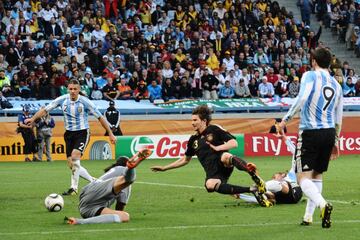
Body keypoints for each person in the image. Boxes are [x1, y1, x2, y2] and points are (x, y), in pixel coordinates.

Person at [151, 105, 272, 207]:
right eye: (192, 120)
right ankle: (252, 190)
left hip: (223, 162)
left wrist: (218, 148)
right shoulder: (193, 140)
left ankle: (253, 174)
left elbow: (233, 143)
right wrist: (164, 168)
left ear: (203, 121)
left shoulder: (214, 129)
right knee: (209, 185)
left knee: (225, 156)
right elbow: (185, 159)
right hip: (213, 171)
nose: (192, 123)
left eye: (195, 120)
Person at [278, 48, 343, 228]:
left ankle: (323, 204)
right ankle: (308, 217)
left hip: (310, 132)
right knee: (317, 175)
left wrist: (285, 120)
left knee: (302, 178)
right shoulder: (336, 84)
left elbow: (302, 98)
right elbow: (339, 116)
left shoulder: (309, 76)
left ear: (313, 61)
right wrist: (336, 140)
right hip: (329, 133)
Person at [25, 79, 116, 196]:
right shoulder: (62, 100)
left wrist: (110, 133)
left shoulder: (85, 102)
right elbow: (44, 110)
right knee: (72, 165)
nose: (72, 91)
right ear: (68, 89)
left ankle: (73, 188)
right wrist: (32, 119)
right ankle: (95, 181)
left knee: (75, 156)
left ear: (79, 90)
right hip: (69, 134)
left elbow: (100, 117)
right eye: (70, 89)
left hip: (82, 133)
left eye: (75, 89)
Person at [64, 148, 152, 225]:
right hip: (95, 195)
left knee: (124, 216)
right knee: (126, 181)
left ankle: (78, 221)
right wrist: (130, 169)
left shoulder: (110, 172)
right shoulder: (121, 170)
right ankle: (131, 167)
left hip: (87, 206)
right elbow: (121, 204)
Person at [236, 128, 302, 205]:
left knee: (274, 185)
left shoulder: (290, 175)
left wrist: (284, 137)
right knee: (266, 195)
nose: (273, 177)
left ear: (282, 175)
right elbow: (256, 199)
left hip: (293, 192)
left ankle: (258, 186)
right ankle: (258, 188)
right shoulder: (285, 180)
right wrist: (240, 196)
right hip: (287, 199)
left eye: (275, 176)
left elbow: (295, 152)